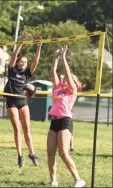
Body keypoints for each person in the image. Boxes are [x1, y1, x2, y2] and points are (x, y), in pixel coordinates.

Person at [47, 45, 85, 187]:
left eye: (67, 79)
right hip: (54, 121)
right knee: (50, 152)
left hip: (65, 121)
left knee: (63, 152)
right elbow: (52, 72)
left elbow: (68, 75)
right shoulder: (58, 88)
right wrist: (56, 57)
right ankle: (53, 180)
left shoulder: (72, 90)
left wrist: (64, 58)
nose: (63, 79)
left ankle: (78, 180)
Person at [4, 32, 42, 167]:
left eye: (25, 62)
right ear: (18, 62)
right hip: (11, 101)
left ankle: (32, 154)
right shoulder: (12, 70)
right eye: (22, 61)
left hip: (22, 100)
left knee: (27, 129)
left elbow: (36, 61)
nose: (23, 63)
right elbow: (14, 55)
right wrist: (21, 42)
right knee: (17, 129)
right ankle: (20, 155)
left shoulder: (27, 73)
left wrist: (39, 47)